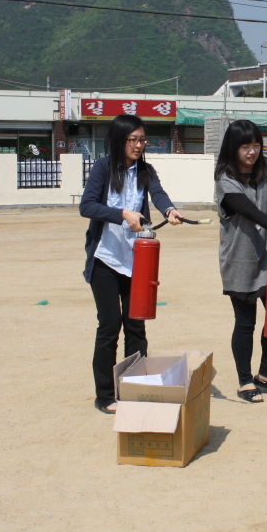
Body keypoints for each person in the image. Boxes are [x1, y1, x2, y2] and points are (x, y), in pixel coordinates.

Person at [79, 114, 183, 414]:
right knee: (109, 326)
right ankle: (105, 395)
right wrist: (123, 213)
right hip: (105, 258)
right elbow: (87, 206)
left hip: (135, 260)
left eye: (142, 140)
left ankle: (134, 387)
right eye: (133, 140)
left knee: (136, 326)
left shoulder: (145, 170)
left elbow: (159, 194)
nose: (139, 145)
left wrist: (170, 209)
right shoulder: (102, 168)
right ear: (119, 140)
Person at [215, 120, 267, 404]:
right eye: (245, 146)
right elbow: (246, 210)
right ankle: (245, 381)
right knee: (245, 322)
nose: (252, 151)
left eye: (256, 145)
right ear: (233, 148)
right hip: (241, 258)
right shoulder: (225, 178)